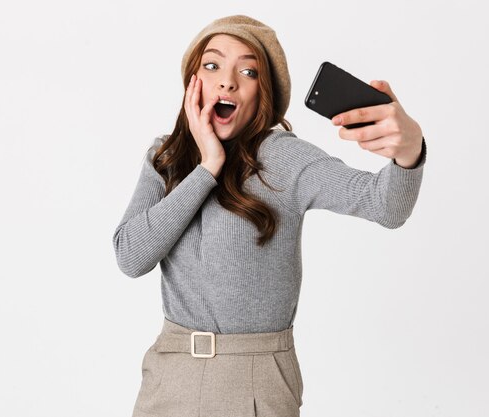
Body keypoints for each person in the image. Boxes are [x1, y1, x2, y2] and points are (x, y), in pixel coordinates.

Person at [112, 14, 427, 417]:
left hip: (257, 381)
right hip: (169, 377)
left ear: (265, 95)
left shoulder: (284, 158)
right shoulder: (166, 158)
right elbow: (130, 257)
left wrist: (409, 150)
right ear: (193, 80)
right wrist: (207, 167)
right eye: (212, 65)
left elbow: (384, 206)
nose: (227, 81)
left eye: (248, 71)